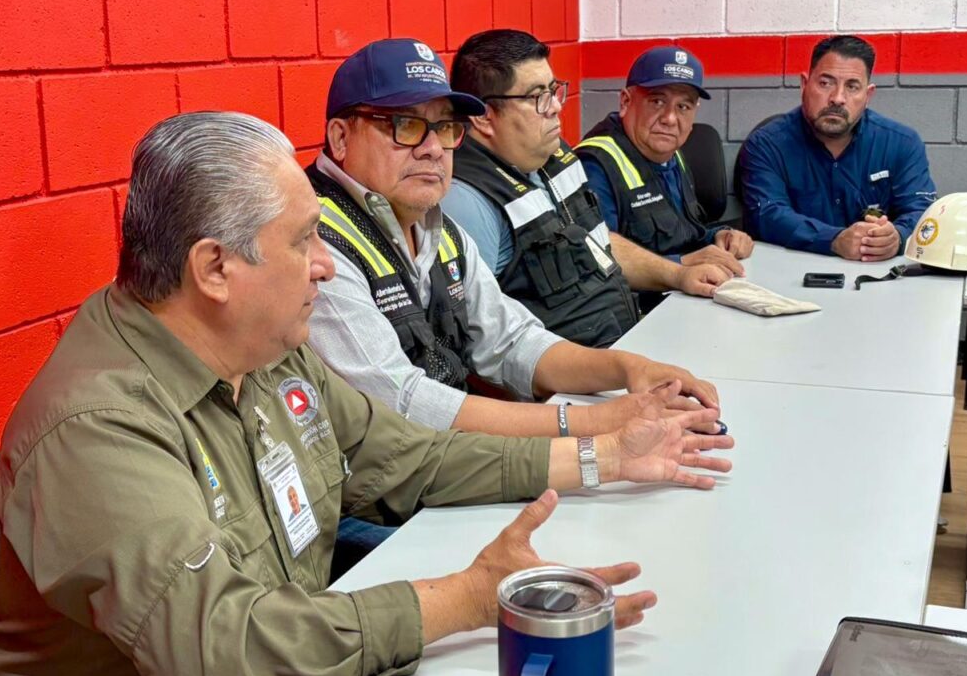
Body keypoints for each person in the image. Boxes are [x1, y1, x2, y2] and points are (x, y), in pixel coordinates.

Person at [0, 111, 734, 676]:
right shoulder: (98, 428)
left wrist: (605, 455)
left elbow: (408, 457)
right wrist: (467, 599)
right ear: (214, 270)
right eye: (303, 240)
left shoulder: (265, 352)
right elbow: (225, 646)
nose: (327, 265)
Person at [309, 38, 721, 440]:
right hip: (395, 477)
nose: (434, 149)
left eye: (446, 127)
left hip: (448, 455)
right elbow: (402, 404)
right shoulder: (315, 243)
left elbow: (512, 340)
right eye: (407, 125)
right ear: (341, 137)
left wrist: (629, 369)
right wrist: (593, 422)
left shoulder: (436, 226)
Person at [443, 30, 733, 348]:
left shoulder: (556, 156)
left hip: (624, 339)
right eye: (537, 97)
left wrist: (677, 274)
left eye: (554, 90)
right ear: (484, 117)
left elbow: (597, 242)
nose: (556, 106)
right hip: (575, 371)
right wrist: (619, 369)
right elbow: (477, 346)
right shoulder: (467, 202)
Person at [738, 34, 937, 261]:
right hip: (788, 270)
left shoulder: (902, 143)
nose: (837, 98)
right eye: (825, 83)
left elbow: (923, 212)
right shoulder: (766, 145)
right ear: (804, 84)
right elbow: (766, 215)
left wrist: (897, 238)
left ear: (868, 95)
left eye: (852, 87)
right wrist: (833, 239)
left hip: (875, 273)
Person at [576, 45, 754, 274]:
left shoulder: (669, 152)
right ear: (625, 102)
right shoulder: (595, 165)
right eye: (657, 102)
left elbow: (680, 233)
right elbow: (597, 260)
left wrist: (719, 237)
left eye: (683, 106)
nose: (670, 118)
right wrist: (681, 266)